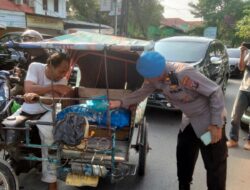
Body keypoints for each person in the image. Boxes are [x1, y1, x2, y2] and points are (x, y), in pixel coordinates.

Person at [110, 51, 228, 190]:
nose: (147, 80)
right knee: (184, 158)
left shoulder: (184, 73)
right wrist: (119, 102)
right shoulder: (155, 79)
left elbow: (215, 91)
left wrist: (216, 124)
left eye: (148, 77)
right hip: (189, 123)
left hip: (207, 124)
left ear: (159, 72)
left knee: (213, 162)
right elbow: (141, 93)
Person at [3, 52, 73, 190]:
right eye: (62, 71)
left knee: (49, 140)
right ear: (50, 65)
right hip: (27, 110)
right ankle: (11, 163)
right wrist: (53, 87)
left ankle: (51, 179)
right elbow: (29, 88)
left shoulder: (63, 80)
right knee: (6, 128)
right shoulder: (35, 67)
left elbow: (50, 101)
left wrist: (39, 94)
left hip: (47, 111)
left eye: (66, 71)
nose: (64, 74)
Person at [227, 43, 250, 150]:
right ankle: (233, 139)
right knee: (235, 115)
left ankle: (249, 142)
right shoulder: (249, 54)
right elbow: (241, 68)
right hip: (244, 89)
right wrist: (242, 53)